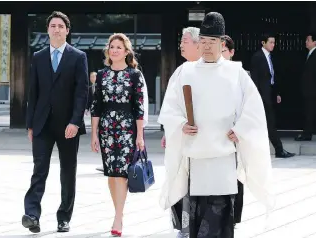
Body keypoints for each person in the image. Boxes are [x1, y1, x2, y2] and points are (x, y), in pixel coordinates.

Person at [158, 12, 275, 238]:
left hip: (224, 155)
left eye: (212, 42)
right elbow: (170, 108)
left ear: (222, 43)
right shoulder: (186, 71)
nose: (207, 47)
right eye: (203, 41)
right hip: (195, 155)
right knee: (196, 216)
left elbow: (253, 110)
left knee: (221, 217)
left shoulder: (236, 73)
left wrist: (240, 129)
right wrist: (181, 124)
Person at [23, 11, 88, 233]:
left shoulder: (78, 57)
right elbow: (33, 92)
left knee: (67, 172)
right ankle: (32, 214)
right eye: (53, 25)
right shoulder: (38, 56)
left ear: (67, 31)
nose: (57, 29)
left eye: (61, 26)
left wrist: (75, 122)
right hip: (42, 124)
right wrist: (30, 124)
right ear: (48, 30)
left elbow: (82, 93)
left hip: (68, 125)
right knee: (39, 170)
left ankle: (64, 217)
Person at [90, 33, 148, 237]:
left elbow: (139, 107)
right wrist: (94, 134)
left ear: (126, 51)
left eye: (119, 47)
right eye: (112, 47)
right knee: (111, 173)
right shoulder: (101, 75)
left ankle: (118, 216)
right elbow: (96, 106)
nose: (114, 50)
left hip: (127, 128)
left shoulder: (134, 75)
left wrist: (140, 135)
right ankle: (118, 213)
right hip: (106, 128)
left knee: (122, 174)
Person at [160, 26, 201, 238]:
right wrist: (176, 126)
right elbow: (170, 106)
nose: (181, 44)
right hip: (183, 135)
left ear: (197, 43)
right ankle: (184, 227)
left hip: (204, 139)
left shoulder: (209, 69)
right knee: (181, 180)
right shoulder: (181, 70)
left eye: (185, 40)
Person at [250, 34, 295, 158]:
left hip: (270, 93)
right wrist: (256, 96)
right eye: (270, 42)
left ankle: (278, 149)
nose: (273, 45)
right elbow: (255, 79)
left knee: (269, 122)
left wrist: (277, 93)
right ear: (263, 43)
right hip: (262, 95)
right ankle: (279, 149)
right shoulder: (257, 57)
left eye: (274, 43)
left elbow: (273, 77)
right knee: (269, 123)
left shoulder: (271, 57)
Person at [221, 35, 244, 228]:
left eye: (223, 51)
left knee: (236, 173)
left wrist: (240, 129)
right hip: (214, 133)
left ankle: (234, 215)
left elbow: (249, 107)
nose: (220, 54)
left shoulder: (240, 74)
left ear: (231, 52)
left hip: (234, 132)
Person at [295, 32, 316, 141]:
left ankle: (307, 135)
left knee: (310, 112)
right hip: (309, 89)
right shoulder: (310, 54)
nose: (306, 42)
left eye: (308, 40)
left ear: (314, 42)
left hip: (312, 89)